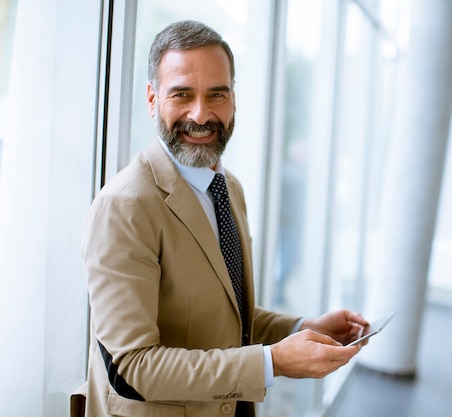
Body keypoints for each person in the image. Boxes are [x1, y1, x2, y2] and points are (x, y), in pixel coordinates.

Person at [79, 20, 369, 417]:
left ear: (234, 98)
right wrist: (274, 362)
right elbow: (131, 367)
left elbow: (223, 314)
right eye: (182, 94)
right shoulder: (125, 207)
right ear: (151, 99)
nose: (201, 114)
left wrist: (301, 329)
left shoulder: (228, 187)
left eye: (217, 94)